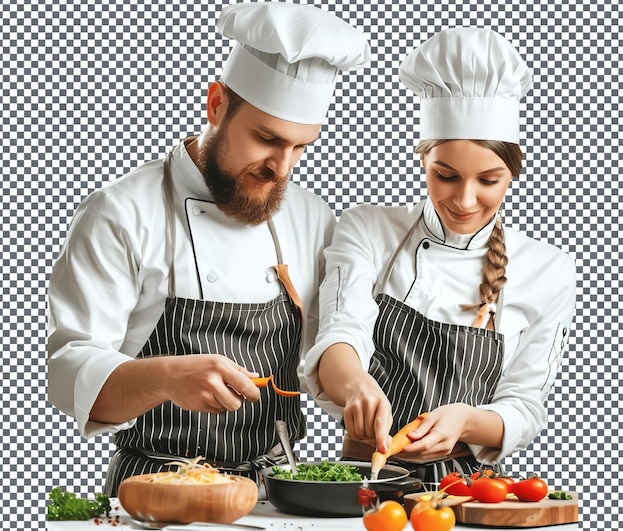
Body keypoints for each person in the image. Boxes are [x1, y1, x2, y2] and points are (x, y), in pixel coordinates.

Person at [47, 2, 369, 496]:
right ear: (216, 104)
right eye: (266, 138)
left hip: (276, 492)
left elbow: (330, 348)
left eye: (300, 147)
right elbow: (69, 372)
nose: (281, 168)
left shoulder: (311, 217)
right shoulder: (122, 212)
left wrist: (359, 392)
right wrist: (165, 377)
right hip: (154, 490)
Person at [304, 27, 576, 484]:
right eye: (445, 175)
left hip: (468, 496)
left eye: (489, 180)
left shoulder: (548, 270)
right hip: (359, 482)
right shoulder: (368, 229)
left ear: (512, 173)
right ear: (424, 159)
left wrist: (466, 421)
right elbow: (339, 331)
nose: (465, 200)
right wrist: (357, 387)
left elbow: (525, 405)